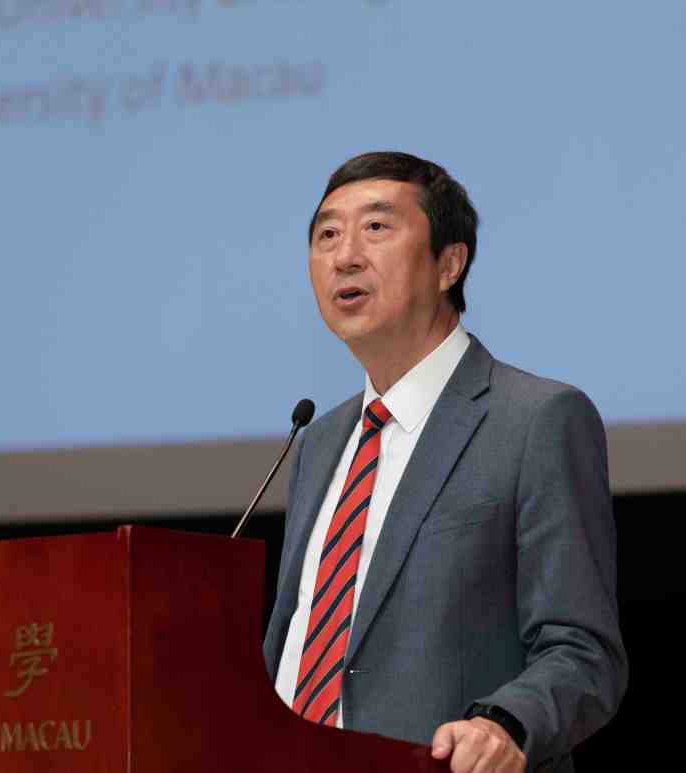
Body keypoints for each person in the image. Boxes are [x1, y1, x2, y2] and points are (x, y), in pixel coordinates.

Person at [263, 152, 627, 773]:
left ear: (449, 264)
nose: (344, 255)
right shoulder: (318, 443)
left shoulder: (534, 419)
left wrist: (505, 725)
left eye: (376, 227)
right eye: (326, 235)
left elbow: (583, 650)